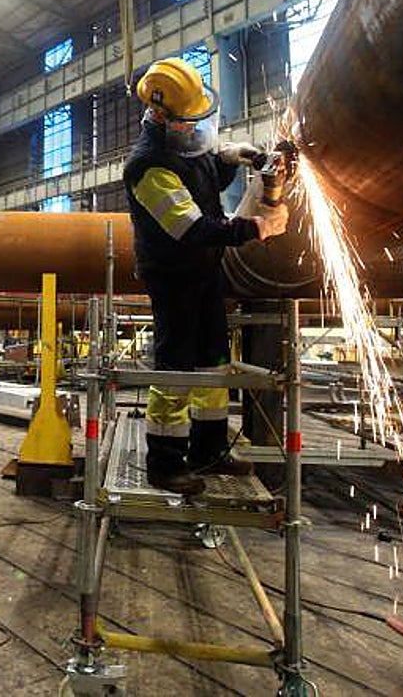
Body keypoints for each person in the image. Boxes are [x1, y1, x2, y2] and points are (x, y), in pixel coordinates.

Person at [122, 57, 288, 495]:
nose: (197, 126)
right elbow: (192, 229)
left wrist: (241, 157)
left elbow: (207, 169)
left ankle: (209, 450)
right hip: (174, 277)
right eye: (189, 119)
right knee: (176, 368)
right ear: (161, 116)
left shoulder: (182, 145)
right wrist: (258, 226)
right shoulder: (148, 166)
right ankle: (165, 461)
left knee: (213, 361)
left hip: (204, 271)